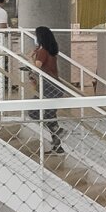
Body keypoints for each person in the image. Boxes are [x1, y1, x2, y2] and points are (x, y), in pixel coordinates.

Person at [28, 24, 68, 156]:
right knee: (50, 116)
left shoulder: (43, 51)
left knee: (33, 112)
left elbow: (36, 67)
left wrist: (31, 57)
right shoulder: (51, 50)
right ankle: (58, 147)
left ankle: (58, 131)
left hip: (48, 87)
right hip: (55, 86)